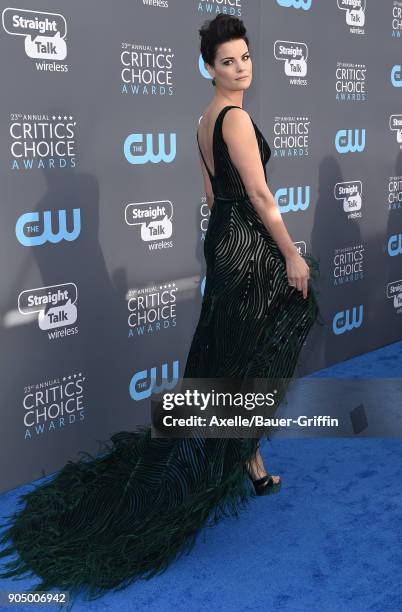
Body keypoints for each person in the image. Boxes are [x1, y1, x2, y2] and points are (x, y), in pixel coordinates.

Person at [0, 13, 322, 603]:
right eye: (228, 61)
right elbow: (258, 195)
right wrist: (292, 256)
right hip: (248, 244)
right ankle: (244, 459)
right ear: (210, 67)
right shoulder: (237, 119)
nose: (241, 68)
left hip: (221, 239)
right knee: (255, 346)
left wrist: (232, 241)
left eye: (246, 57)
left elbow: (210, 195)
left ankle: (248, 461)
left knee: (229, 353)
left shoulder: (203, 119)